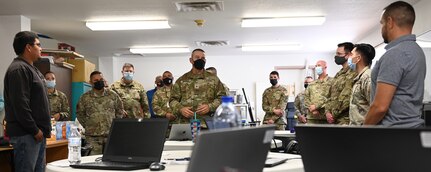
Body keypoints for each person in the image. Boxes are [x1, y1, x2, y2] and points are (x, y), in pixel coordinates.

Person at [365, 1, 426, 127]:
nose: (382, 28)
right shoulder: (417, 51)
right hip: (411, 131)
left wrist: (363, 131)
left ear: (390, 22)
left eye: (382, 24)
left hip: (392, 134)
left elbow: (379, 107)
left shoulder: (395, 54)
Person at [4, 31, 50, 172]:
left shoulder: (31, 68)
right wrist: (34, 130)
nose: (41, 48)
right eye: (38, 45)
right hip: (27, 135)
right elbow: (20, 105)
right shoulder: (19, 69)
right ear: (28, 47)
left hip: (35, 135)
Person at [170, 49, 227, 128]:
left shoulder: (214, 79)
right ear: (191, 60)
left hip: (207, 124)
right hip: (186, 125)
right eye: (197, 57)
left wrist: (210, 106)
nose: (200, 60)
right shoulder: (181, 80)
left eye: (203, 58)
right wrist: (181, 109)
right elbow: (172, 100)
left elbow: (222, 98)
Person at [77, 71, 125, 155]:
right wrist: (89, 125)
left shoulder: (113, 95)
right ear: (91, 82)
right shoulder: (84, 98)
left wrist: (114, 124)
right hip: (92, 137)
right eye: (96, 80)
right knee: (93, 162)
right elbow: (80, 114)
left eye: (101, 79)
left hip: (110, 135)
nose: (99, 81)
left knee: (111, 160)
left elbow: (120, 110)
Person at [325, 42, 357, 125]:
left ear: (349, 54)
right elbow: (330, 96)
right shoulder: (338, 74)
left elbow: (347, 97)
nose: (336, 56)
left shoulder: (354, 72)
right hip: (334, 120)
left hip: (346, 119)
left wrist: (333, 114)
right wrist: (327, 112)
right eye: (336, 53)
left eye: (339, 54)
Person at [348, 44, 375, 125]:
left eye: (351, 54)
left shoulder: (368, 77)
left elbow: (374, 107)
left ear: (358, 58)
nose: (348, 58)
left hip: (364, 130)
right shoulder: (360, 77)